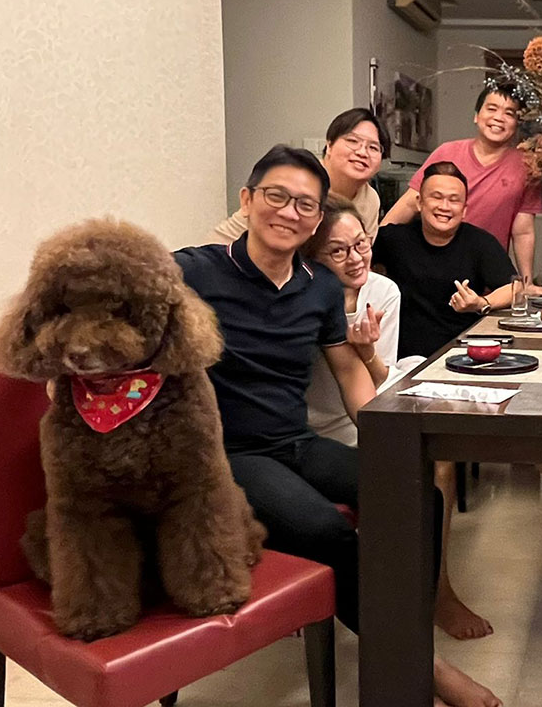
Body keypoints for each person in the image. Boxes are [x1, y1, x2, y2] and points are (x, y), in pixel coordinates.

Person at [177, 146, 500, 707]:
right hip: (226, 452)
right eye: (277, 196)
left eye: (304, 202)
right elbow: (110, 294)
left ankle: (403, 635)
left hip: (294, 442)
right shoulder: (195, 269)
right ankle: (422, 666)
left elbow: (350, 375)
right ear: (248, 200)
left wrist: (390, 444)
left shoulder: (319, 288)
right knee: (326, 529)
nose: (289, 211)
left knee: (418, 496)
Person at [374, 161, 542, 640]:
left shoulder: (476, 241)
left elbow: (513, 286)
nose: (445, 207)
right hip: (409, 368)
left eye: (455, 200)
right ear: (419, 200)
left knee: (519, 414)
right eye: (436, 197)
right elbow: (357, 253)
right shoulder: (394, 240)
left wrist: (481, 304)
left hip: (466, 358)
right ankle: (438, 593)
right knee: (439, 459)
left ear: (465, 207)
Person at [380, 82, 542, 283]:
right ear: (476, 115)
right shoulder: (447, 152)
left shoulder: (528, 166)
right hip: (431, 269)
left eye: (509, 113)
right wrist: (377, 247)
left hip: (485, 275)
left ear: (517, 123)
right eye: (491, 109)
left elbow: (523, 231)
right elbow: (409, 203)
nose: (498, 118)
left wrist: (526, 284)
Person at [302, 193, 423, 446]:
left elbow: (381, 383)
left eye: (361, 244)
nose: (356, 259)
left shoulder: (383, 291)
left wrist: (366, 350)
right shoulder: (301, 299)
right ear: (310, 258)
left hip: (362, 415)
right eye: (337, 251)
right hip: (307, 426)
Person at [207, 108, 389, 244]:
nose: (362, 152)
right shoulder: (299, 181)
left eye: (373, 147)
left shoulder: (370, 200)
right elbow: (228, 237)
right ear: (330, 145)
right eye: (352, 141)